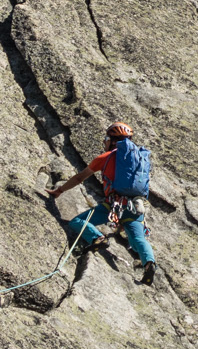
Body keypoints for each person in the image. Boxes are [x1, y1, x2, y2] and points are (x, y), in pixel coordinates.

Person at [47, 121, 157, 284]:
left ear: (113, 140)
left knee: (78, 221)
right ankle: (149, 263)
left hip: (112, 205)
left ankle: (98, 238)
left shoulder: (105, 158)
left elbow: (79, 177)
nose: (104, 141)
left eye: (106, 138)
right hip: (135, 206)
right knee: (138, 240)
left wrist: (59, 190)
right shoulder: (138, 159)